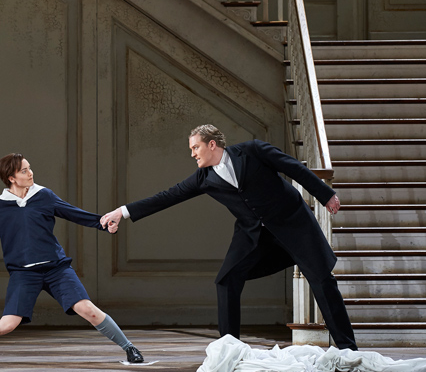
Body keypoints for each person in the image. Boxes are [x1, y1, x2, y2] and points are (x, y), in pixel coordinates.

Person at [100, 124, 357, 351]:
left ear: (212, 144)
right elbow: (166, 196)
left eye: (195, 147)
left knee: (322, 280)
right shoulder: (203, 178)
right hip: (255, 235)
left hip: (293, 224)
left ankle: (348, 347)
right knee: (226, 280)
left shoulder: (253, 150)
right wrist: (122, 212)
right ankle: (230, 349)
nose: (192, 154)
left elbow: (292, 167)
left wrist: (325, 194)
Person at [0, 153, 144, 364]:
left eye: (30, 168)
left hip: (56, 268)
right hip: (23, 273)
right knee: (6, 325)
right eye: (24, 170)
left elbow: (74, 213)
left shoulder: (44, 196)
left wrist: (104, 223)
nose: (30, 173)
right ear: (11, 178)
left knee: (87, 309)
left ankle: (129, 348)